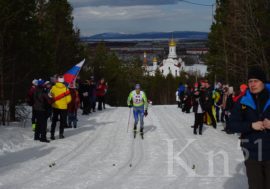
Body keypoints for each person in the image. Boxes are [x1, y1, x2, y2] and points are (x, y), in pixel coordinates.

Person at [228, 66, 270, 189]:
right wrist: (251, 125)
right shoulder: (242, 101)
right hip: (251, 152)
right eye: (250, 81)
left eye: (256, 81)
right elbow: (231, 125)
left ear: (263, 82)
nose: (252, 84)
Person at [49, 75, 71, 139]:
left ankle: (52, 135)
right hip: (63, 107)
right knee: (62, 121)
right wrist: (64, 102)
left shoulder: (53, 87)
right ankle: (61, 134)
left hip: (55, 106)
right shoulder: (66, 88)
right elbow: (69, 99)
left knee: (54, 121)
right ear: (63, 81)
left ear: (57, 80)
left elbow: (50, 96)